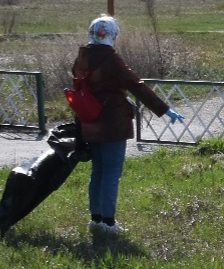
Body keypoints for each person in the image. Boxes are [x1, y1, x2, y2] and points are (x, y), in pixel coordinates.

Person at [71, 16, 183, 237]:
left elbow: (79, 80)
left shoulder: (83, 56)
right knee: (112, 173)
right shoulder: (110, 58)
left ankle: (95, 219)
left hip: (90, 123)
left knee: (98, 172)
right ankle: (109, 222)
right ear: (112, 34)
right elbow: (135, 85)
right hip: (112, 123)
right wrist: (164, 109)